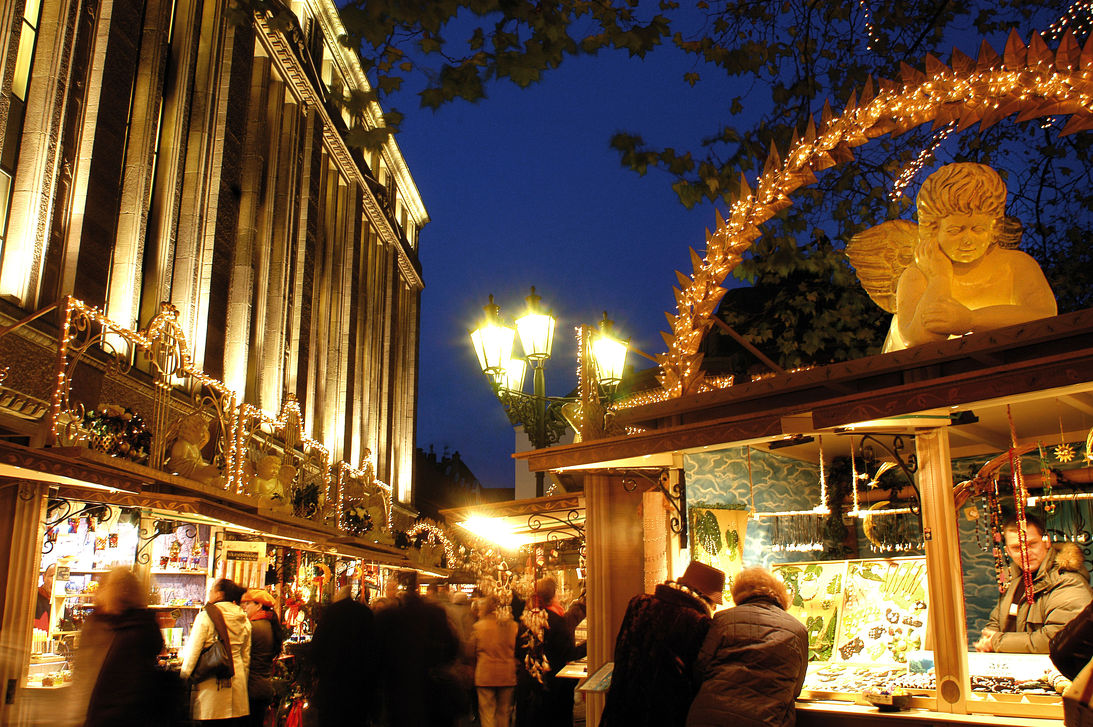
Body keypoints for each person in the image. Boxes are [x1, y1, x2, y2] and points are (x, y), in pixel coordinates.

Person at [847, 162, 1057, 352]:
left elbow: (1044, 316)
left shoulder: (1016, 265)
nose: (968, 240)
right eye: (955, 230)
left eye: (978, 229)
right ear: (932, 230)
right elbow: (920, 341)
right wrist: (940, 277)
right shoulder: (917, 275)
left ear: (994, 229)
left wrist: (972, 320)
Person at [600, 560, 725, 727]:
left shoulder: (639, 603)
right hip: (662, 715)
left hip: (621, 707)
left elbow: (620, 652)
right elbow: (694, 678)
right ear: (707, 599)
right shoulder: (699, 623)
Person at [686, 567, 808, 727]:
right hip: (765, 720)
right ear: (781, 593)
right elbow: (796, 689)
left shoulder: (723, 619)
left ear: (739, 591)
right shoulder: (798, 630)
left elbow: (701, 668)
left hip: (709, 717)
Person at [975, 514, 1091, 653]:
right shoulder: (1013, 579)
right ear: (1008, 551)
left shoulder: (1069, 582)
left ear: (1046, 541)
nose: (1025, 553)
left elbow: (1056, 638)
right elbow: (996, 621)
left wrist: (996, 642)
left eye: (1031, 544)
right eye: (1017, 548)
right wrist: (987, 640)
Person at [68, 567, 167, 727]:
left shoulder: (99, 623)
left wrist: (75, 715)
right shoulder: (146, 624)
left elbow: (84, 675)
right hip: (136, 713)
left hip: (103, 713)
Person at [374, 573, 464, 726]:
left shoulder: (387, 617)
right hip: (432, 693)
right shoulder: (435, 613)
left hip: (397, 693)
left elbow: (376, 655)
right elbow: (452, 648)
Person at [180, 578, 252, 723]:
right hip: (237, 689)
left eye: (212, 589)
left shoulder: (206, 617)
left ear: (220, 594)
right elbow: (245, 658)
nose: (210, 592)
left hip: (211, 691)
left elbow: (192, 653)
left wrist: (183, 677)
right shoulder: (244, 619)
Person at [514, 577, 577, 727]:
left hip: (530, 687)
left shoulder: (527, 621)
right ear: (553, 596)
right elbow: (566, 652)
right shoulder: (557, 621)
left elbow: (518, 650)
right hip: (554, 686)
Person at [309, 585, 375, 726]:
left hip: (332, 688)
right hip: (359, 689)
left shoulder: (331, 614)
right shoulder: (365, 614)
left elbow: (316, 648)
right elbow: (373, 651)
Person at [469, 594, 518, 727]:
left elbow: (470, 652)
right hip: (507, 674)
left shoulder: (479, 627)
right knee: (504, 713)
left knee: (487, 713)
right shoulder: (513, 626)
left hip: (485, 675)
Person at [241, 589, 283, 727]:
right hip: (262, 687)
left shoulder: (254, 627)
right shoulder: (268, 624)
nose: (245, 607)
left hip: (252, 689)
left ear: (259, 605)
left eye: (248, 603)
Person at [33, 563, 55, 631]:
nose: (54, 581)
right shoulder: (33, 597)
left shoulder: (61, 603)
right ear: (44, 577)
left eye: (57, 578)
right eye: (52, 576)